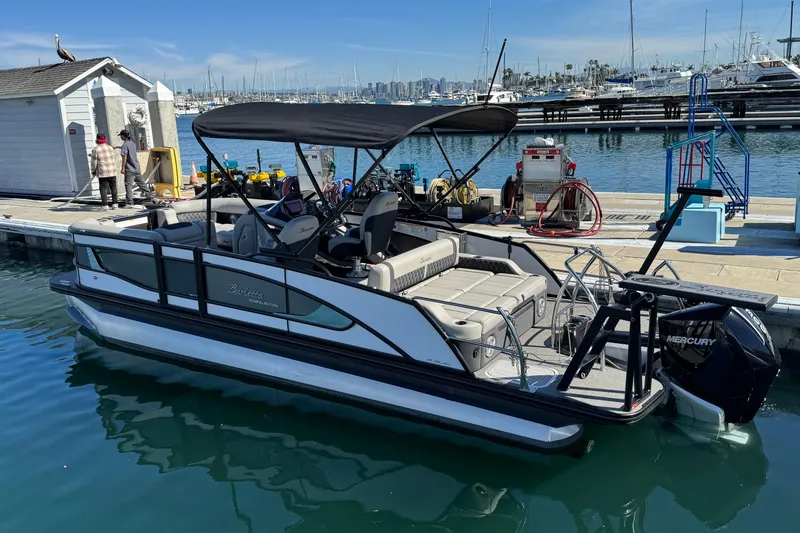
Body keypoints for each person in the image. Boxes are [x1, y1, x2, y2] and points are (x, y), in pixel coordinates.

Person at [118, 129, 151, 207]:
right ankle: (151, 197)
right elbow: (128, 149)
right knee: (141, 183)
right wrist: (118, 147)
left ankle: (129, 203)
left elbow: (124, 157)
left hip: (129, 169)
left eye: (121, 136)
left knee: (128, 185)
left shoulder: (125, 145)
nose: (120, 137)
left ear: (123, 136)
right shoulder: (132, 143)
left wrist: (123, 168)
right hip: (136, 167)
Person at [90, 133, 117, 210]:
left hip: (103, 172)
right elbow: (113, 158)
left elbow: (94, 162)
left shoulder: (96, 149)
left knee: (103, 188)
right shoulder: (110, 148)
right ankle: (115, 204)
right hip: (112, 171)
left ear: (97, 140)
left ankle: (105, 205)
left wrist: (93, 171)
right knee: (113, 188)